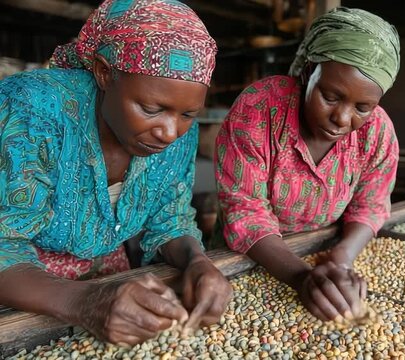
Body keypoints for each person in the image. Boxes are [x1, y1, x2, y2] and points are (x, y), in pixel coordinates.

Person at [0, 0, 232, 346]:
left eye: (187, 114)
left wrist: (196, 261)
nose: (170, 133)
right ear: (104, 73)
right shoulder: (33, 111)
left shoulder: (181, 136)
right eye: (151, 109)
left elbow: (170, 221)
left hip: (113, 280)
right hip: (25, 288)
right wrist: (83, 301)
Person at [215, 7, 400, 322]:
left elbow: (371, 205)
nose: (342, 118)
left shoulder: (377, 131)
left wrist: (340, 259)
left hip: (322, 248)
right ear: (307, 71)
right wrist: (302, 278)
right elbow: (246, 213)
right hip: (248, 255)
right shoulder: (260, 108)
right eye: (330, 96)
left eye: (362, 107)